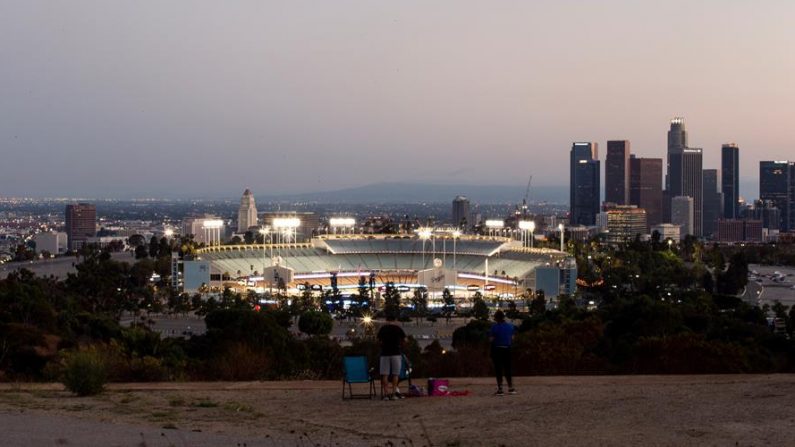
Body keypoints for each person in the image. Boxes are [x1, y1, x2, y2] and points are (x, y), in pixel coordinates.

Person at [377, 313, 407, 400]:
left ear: (386, 320)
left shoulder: (383, 329)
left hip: (385, 353)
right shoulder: (398, 329)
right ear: (395, 320)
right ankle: (394, 394)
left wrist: (382, 346)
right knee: (395, 374)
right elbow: (405, 340)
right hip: (396, 353)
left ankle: (386, 394)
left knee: (385, 374)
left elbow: (378, 340)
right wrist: (400, 346)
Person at [489, 310, 515, 396]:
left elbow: (491, 340)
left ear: (496, 318)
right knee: (508, 369)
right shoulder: (510, 326)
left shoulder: (494, 327)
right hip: (508, 349)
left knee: (498, 369)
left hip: (498, 350)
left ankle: (500, 388)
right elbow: (512, 338)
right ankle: (510, 387)